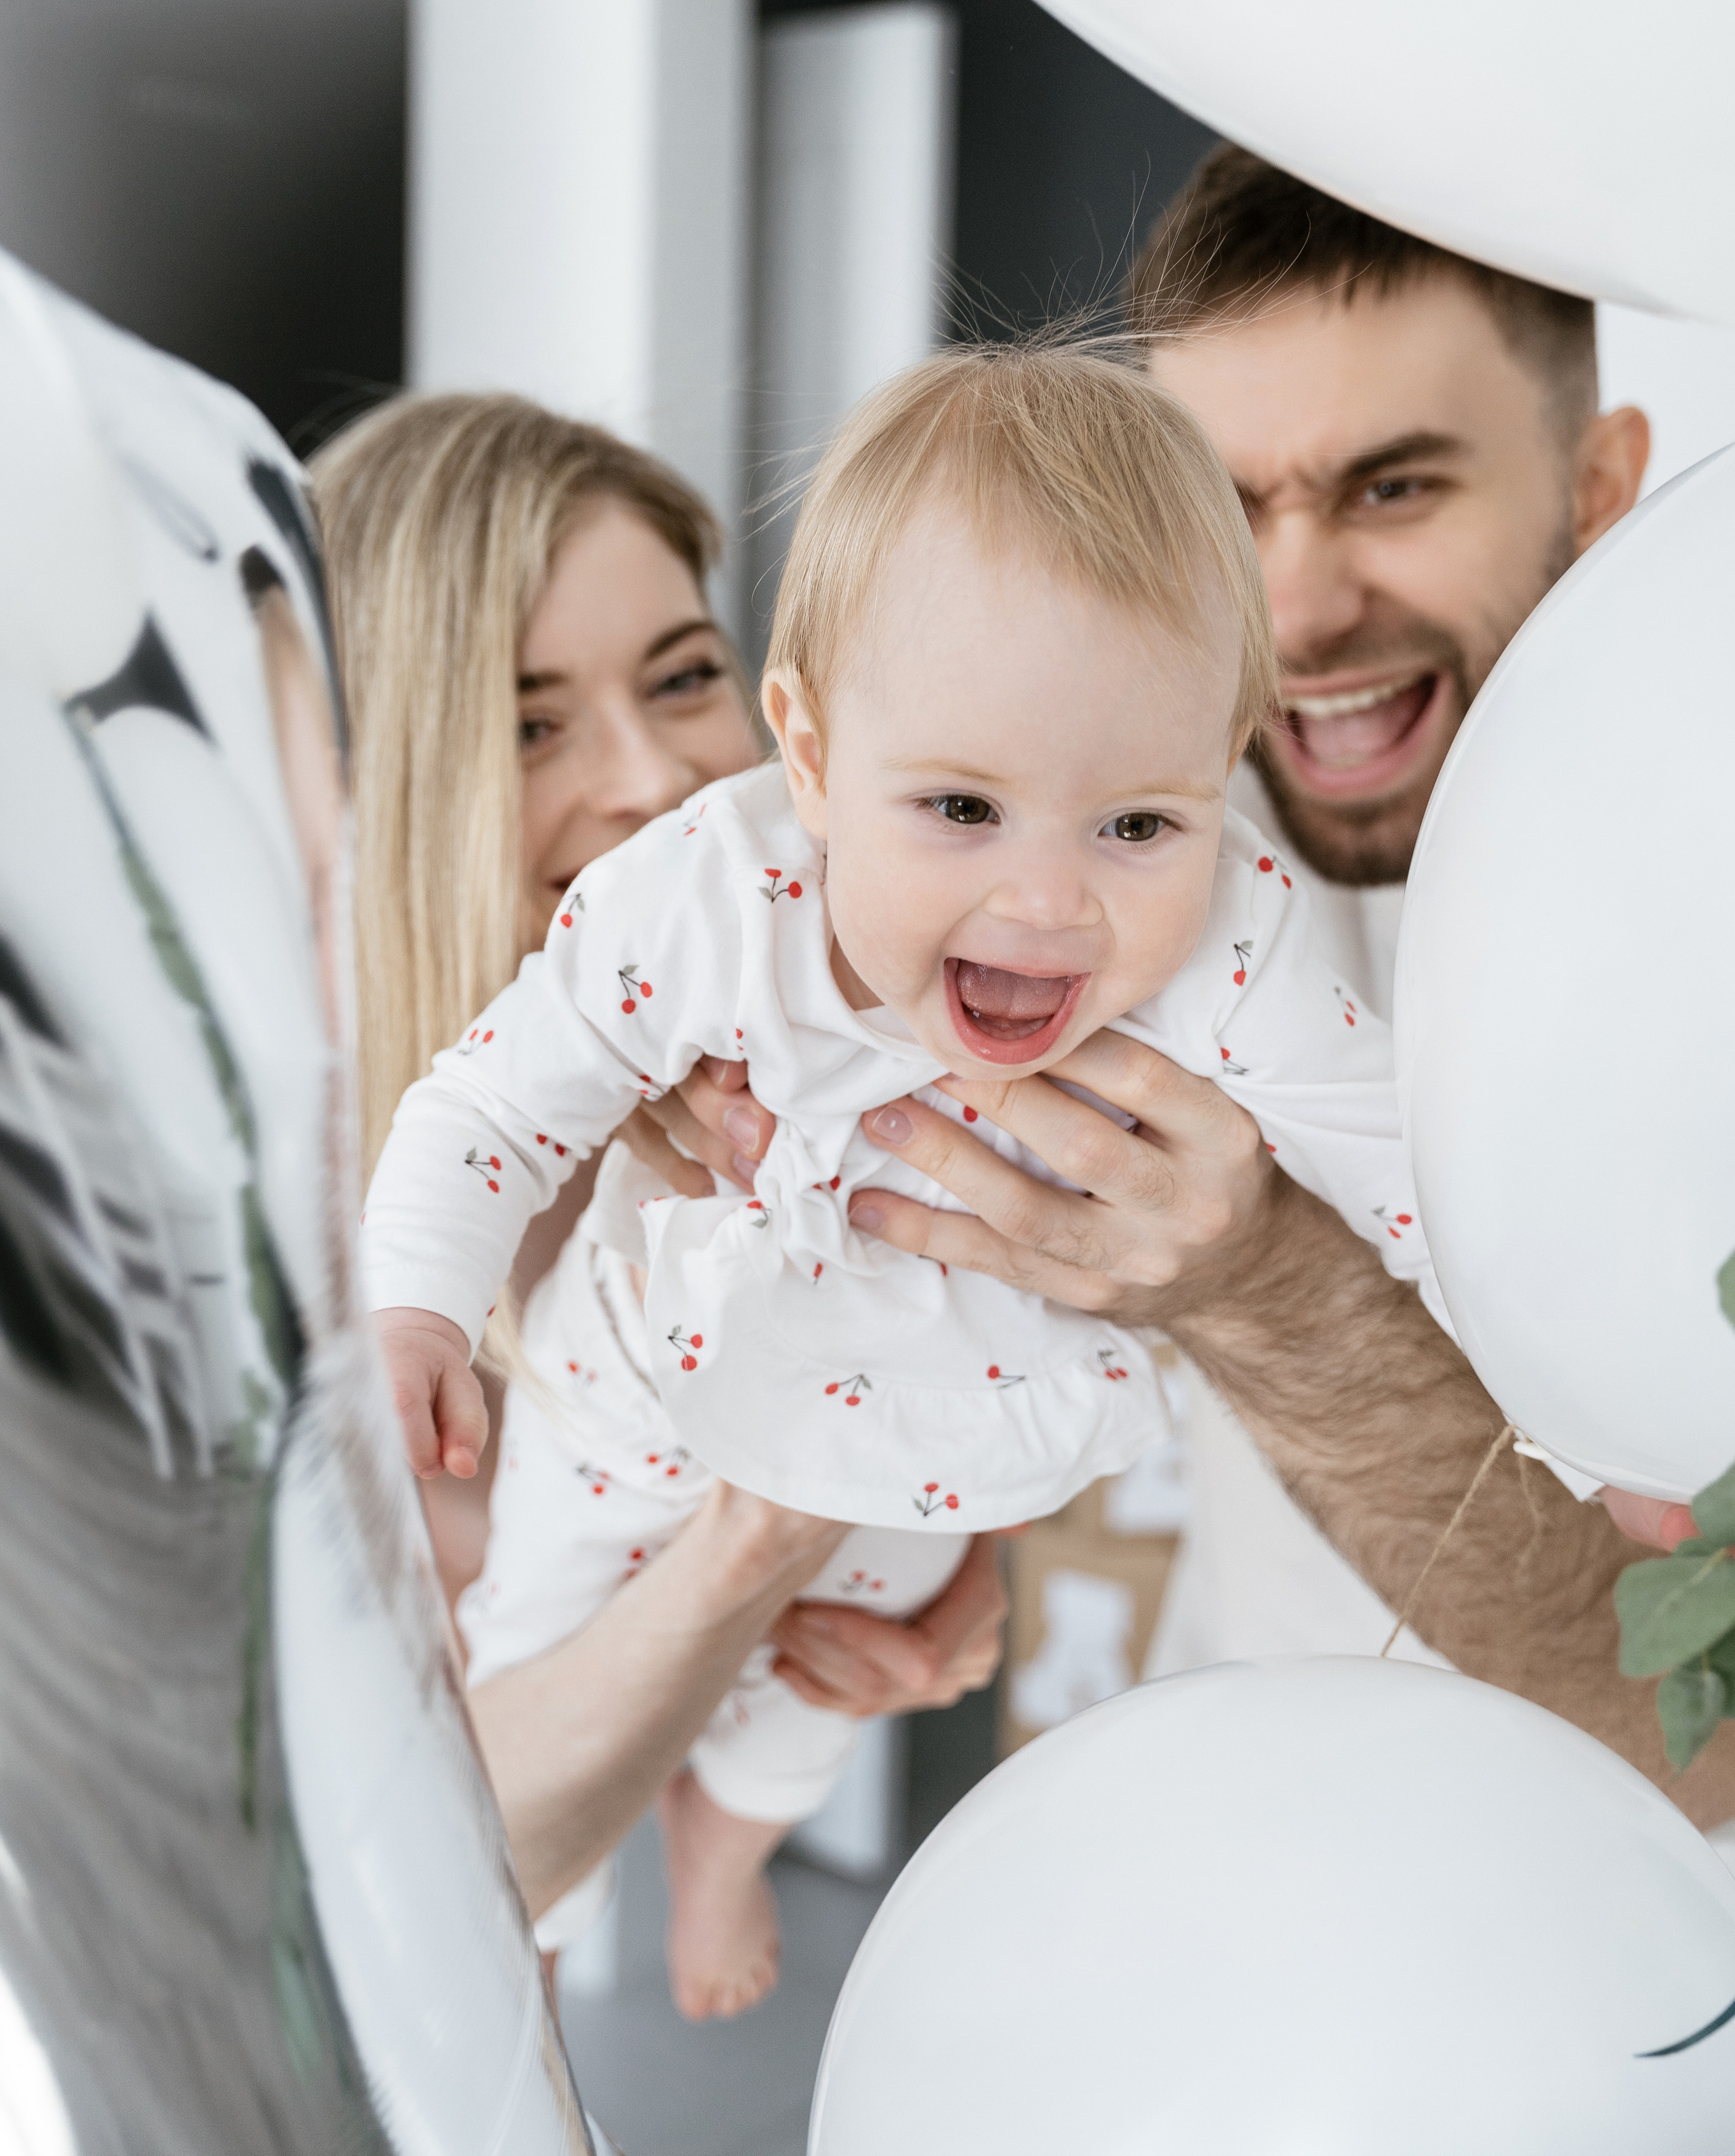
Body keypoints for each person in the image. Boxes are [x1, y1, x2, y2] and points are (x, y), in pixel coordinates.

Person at [363, 344, 1456, 2012]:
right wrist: (420, 1305)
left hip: (910, 1408)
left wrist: (1544, 1397)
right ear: (810, 748)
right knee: (544, 1698)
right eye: (528, 719)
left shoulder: (1212, 942)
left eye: (676, 677)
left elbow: (1396, 1161)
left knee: (863, 1640)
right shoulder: (694, 913)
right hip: (630, 1404)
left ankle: (725, 1855)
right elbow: (485, 1118)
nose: (1049, 902)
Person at [661, 152, 1735, 1826]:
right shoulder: (1146, 871)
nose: (1290, 609)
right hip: (1263, 1919)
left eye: (1391, 489)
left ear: (1599, 488)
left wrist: (1261, 1288)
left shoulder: (1697, 952)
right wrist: (937, 1562)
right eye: (1219, 511)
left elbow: (1698, 1736)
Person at [307, 392, 1004, 1994]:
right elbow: (411, 1885)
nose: (652, 779)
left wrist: (928, 1587)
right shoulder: (298, 1280)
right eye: (529, 721)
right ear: (386, 788)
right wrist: (769, 1533)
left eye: (684, 678)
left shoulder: (763, 1094)